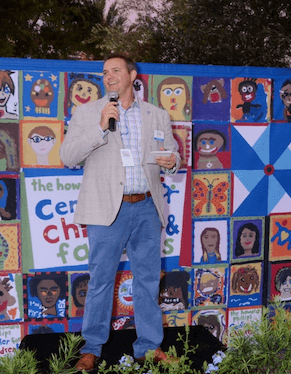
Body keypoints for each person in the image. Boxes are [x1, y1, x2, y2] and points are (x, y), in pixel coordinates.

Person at [60, 53, 180, 372]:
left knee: (147, 281)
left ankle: (149, 348)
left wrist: (174, 161)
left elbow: (172, 153)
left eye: (115, 70)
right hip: (106, 210)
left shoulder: (157, 115)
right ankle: (92, 349)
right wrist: (100, 126)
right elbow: (67, 156)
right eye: (104, 72)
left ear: (132, 75)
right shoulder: (88, 112)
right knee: (100, 281)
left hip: (146, 208)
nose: (108, 76)